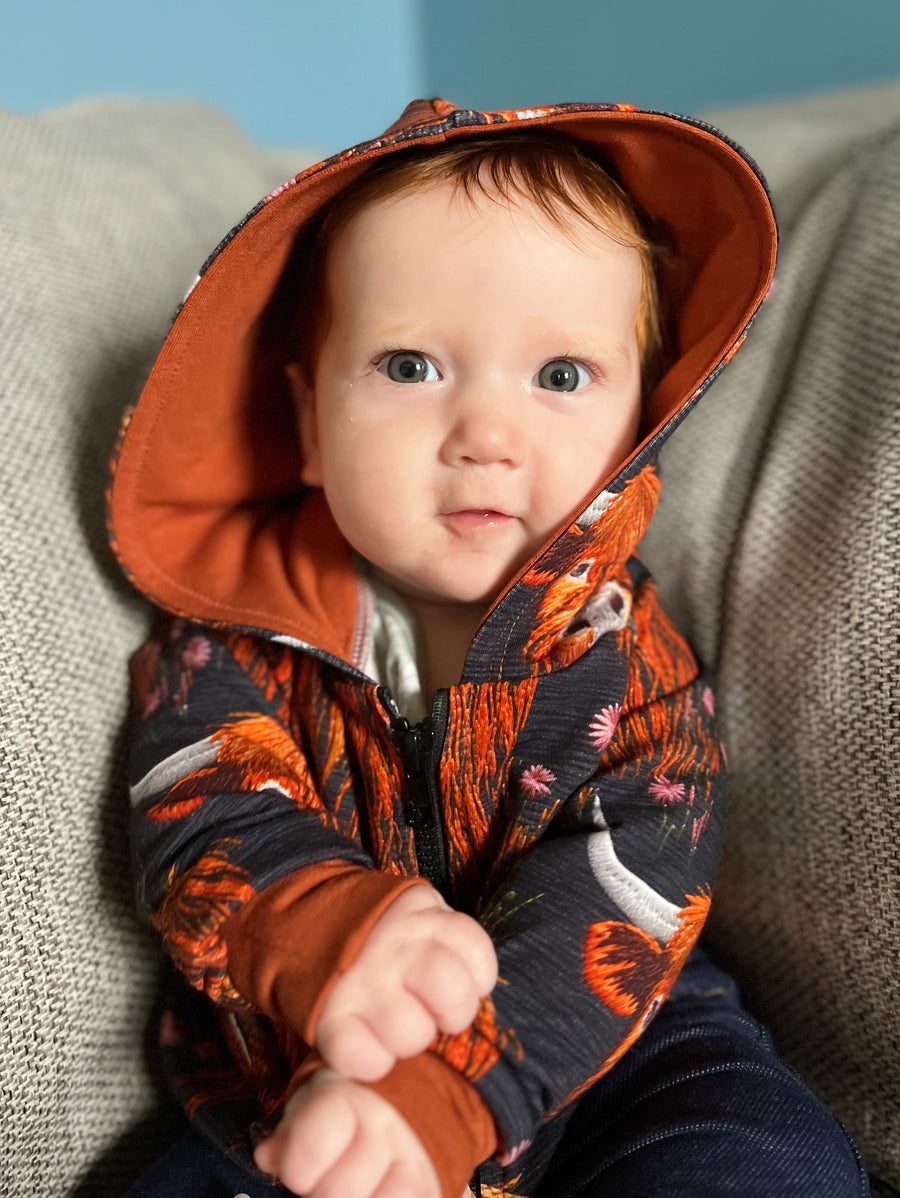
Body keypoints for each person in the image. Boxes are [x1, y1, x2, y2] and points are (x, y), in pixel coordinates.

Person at [111, 98, 869, 1197]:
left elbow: (634, 881)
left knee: (758, 1155)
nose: (486, 437)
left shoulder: (630, 664)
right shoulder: (235, 634)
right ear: (311, 423)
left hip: (617, 1049)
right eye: (411, 365)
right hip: (304, 1063)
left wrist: (447, 1091)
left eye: (560, 376)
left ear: (636, 422)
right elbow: (195, 804)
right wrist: (325, 934)